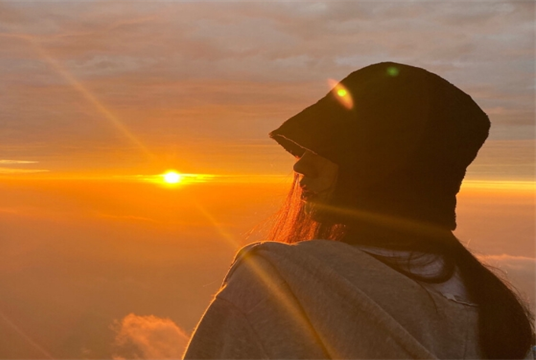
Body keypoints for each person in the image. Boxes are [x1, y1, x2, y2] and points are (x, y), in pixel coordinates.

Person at [182, 62, 535, 360]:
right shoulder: (492, 309)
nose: (300, 166)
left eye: (332, 148)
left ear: (381, 166)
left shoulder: (278, 282)